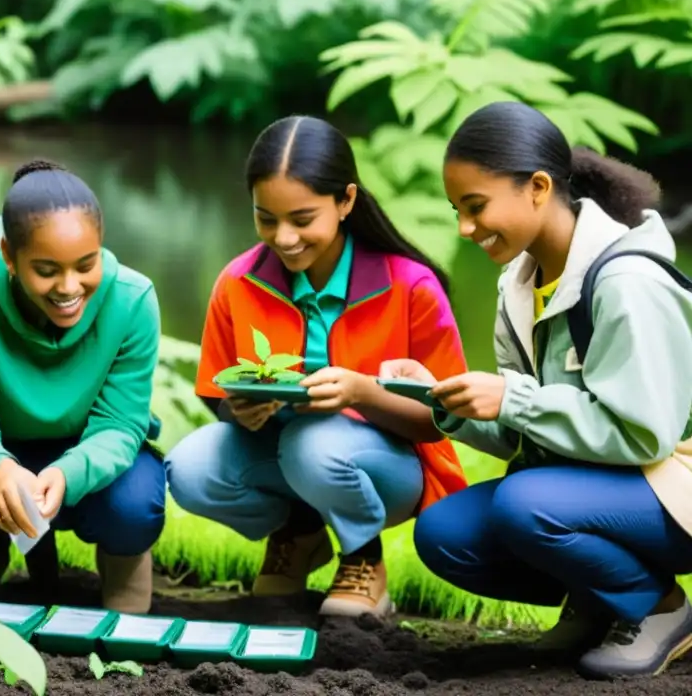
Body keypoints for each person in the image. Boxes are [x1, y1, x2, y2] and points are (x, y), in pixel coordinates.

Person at [382, 101, 692, 679]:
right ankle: (599, 601)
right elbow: (535, 435)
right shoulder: (519, 284)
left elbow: (647, 435)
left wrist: (512, 398)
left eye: (475, 208)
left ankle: (660, 605)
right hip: (598, 489)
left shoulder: (627, 281)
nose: (464, 229)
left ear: (538, 187)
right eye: (457, 211)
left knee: (525, 504)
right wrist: (444, 400)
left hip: (671, 495)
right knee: (445, 534)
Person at [163, 115, 469, 618]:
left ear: (345, 200)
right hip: (286, 453)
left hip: (388, 468)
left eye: (302, 219)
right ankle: (301, 534)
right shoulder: (237, 282)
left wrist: (364, 393)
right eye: (267, 218)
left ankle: (363, 557)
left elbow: (442, 419)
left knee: (313, 442)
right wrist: (241, 411)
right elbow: (215, 392)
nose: (283, 238)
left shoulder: (410, 286)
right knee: (189, 467)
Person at [0, 159, 165, 615]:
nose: (69, 287)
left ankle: (125, 583)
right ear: (9, 256)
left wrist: (70, 471)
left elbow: (121, 424)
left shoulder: (133, 298)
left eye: (86, 265)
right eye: (47, 270)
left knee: (135, 506)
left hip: (93, 448)